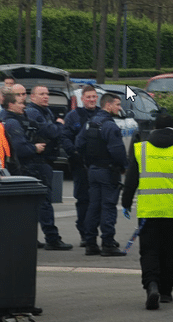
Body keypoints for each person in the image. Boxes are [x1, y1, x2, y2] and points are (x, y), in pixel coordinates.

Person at [122, 113, 173, 310]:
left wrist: (126, 203)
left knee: (148, 251)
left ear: (155, 129)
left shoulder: (141, 149)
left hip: (147, 211)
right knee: (168, 250)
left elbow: (131, 180)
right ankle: (165, 292)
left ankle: (151, 285)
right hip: (171, 211)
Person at [2, 92, 72, 250]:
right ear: (11, 105)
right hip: (29, 167)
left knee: (26, 206)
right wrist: (34, 147)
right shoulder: (12, 122)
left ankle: (28, 237)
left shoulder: (19, 118)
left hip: (26, 167)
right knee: (42, 204)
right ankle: (52, 239)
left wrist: (57, 126)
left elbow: (45, 130)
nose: (23, 106)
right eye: (20, 103)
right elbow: (20, 148)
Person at [76, 93, 128, 256]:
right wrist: (124, 166)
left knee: (93, 206)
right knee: (108, 207)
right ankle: (108, 243)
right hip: (108, 171)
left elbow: (79, 143)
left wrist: (88, 161)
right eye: (117, 105)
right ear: (108, 105)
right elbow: (117, 150)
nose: (119, 108)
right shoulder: (110, 126)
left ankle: (90, 243)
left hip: (93, 170)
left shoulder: (90, 123)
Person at [61, 85, 100, 247]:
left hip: (98, 165)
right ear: (82, 99)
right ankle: (84, 233)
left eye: (94, 97)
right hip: (80, 165)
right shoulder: (73, 116)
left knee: (98, 201)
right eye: (88, 97)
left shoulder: (102, 114)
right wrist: (73, 153)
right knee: (83, 199)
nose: (91, 100)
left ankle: (94, 232)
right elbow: (65, 137)